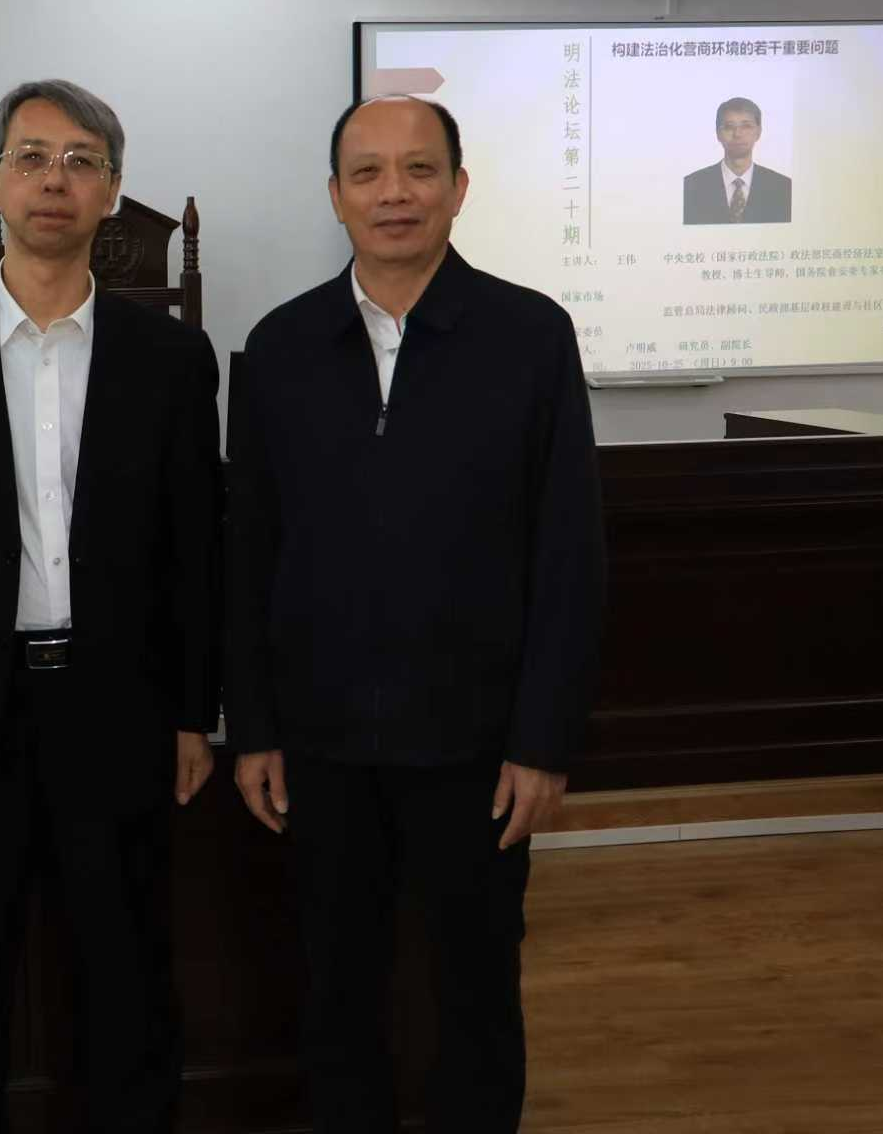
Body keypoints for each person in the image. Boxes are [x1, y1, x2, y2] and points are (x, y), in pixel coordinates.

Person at [225, 95, 605, 1133]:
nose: (395, 193)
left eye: (420, 169)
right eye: (368, 172)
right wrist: (254, 725)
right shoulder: (281, 345)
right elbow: (248, 550)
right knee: (336, 988)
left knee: (475, 989)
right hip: (321, 745)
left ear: (459, 187)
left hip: (476, 745)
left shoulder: (530, 336)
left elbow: (568, 554)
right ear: (335, 195)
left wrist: (543, 741)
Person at [0, 79, 222, 1134]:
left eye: (80, 161)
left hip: (119, 707)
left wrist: (193, 710)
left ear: (112, 189)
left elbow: (197, 546)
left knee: (126, 980)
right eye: (30, 157)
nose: (53, 180)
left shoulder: (170, 356)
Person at [683, 96, 792, 224]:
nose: (737, 134)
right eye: (729, 127)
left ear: (758, 132)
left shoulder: (783, 187)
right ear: (718, 133)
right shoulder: (691, 186)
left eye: (746, 126)